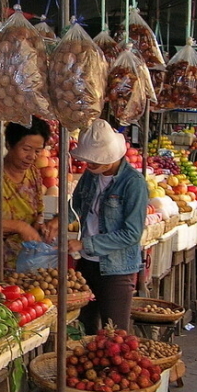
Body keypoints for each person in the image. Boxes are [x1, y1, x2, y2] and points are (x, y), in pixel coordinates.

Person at [67, 119, 148, 335]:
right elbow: (74, 205)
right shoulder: (90, 176)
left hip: (116, 269)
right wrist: (57, 222)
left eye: (93, 161)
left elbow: (131, 234)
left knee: (116, 334)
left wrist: (86, 243)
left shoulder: (133, 183)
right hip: (87, 264)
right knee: (86, 329)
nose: (88, 165)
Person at [0, 118, 59, 271]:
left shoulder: (33, 173)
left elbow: (37, 211)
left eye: (37, 151)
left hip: (22, 261)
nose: (32, 156)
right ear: (9, 145)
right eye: (26, 149)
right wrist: (20, 227)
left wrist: (39, 228)